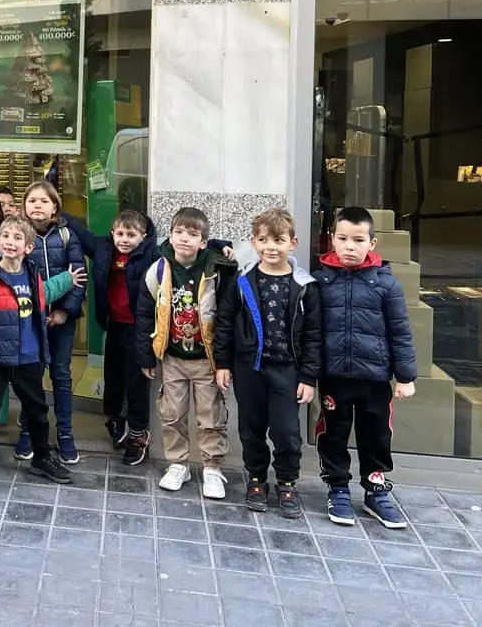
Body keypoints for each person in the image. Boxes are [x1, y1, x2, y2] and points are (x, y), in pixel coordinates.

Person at [0, 215, 86, 504]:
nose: (10, 242)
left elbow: (44, 293)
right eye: (6, 236)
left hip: (29, 358)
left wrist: (68, 279)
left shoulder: (32, 274)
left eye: (18, 238)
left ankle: (41, 458)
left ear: (28, 247)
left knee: (37, 412)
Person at [214, 208, 322, 518]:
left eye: (278, 240)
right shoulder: (242, 281)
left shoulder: (305, 286)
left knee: (287, 432)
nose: (270, 247)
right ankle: (256, 479)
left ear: (293, 243)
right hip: (249, 369)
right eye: (263, 240)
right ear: (253, 241)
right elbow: (224, 324)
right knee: (251, 428)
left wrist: (309, 377)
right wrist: (223, 363)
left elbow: (314, 335)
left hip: (287, 371)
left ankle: (287, 482)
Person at [314, 206, 416, 528]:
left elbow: (400, 331)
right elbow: (311, 333)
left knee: (376, 434)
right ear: (332, 239)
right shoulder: (321, 281)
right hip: (334, 378)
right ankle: (337, 487)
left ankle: (375, 490)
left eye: (358, 240)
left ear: (371, 243)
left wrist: (405, 376)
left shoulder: (385, 283)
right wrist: (308, 373)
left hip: (374, 380)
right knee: (333, 433)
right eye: (343, 238)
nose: (350, 246)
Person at [136, 206, 234, 499]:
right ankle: (178, 464)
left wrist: (224, 362)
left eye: (192, 234)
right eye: (179, 232)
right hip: (173, 358)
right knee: (172, 414)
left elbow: (227, 316)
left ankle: (212, 467)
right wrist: (146, 354)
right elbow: (145, 313)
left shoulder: (216, 269)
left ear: (203, 242)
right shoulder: (159, 269)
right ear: (170, 235)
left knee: (211, 416)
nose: (184, 238)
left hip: (206, 359)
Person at [17, 180, 87, 464]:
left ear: (55, 207)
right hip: (29, 319)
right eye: (32, 200)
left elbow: (79, 277)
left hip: (61, 319)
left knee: (61, 373)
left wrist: (64, 312)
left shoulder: (67, 235)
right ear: (24, 206)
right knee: (30, 376)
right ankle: (28, 430)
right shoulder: (18, 234)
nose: (37, 205)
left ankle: (65, 432)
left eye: (44, 201)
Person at [92, 209, 158, 466]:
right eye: (119, 233)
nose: (124, 239)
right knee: (113, 378)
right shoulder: (105, 250)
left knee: (137, 383)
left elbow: (185, 246)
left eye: (131, 235)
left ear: (143, 236)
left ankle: (139, 434)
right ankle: (114, 419)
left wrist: (220, 245)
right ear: (112, 234)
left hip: (140, 331)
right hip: (115, 326)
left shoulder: (153, 254)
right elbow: (81, 234)